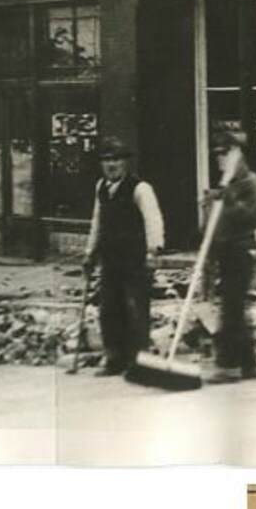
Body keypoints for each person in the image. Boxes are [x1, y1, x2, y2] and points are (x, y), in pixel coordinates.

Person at [84, 138, 165, 376]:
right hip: (110, 258)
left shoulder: (140, 189)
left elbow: (153, 221)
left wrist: (153, 251)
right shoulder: (101, 187)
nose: (111, 165)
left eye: (116, 160)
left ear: (126, 163)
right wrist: (90, 253)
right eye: (106, 160)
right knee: (109, 308)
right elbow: (97, 222)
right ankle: (114, 358)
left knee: (135, 308)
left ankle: (139, 361)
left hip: (134, 259)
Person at [206, 130, 256, 382]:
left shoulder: (251, 182)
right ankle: (248, 365)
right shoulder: (225, 185)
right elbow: (216, 224)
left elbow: (255, 216)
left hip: (241, 251)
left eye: (225, 153)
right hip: (223, 252)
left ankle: (229, 365)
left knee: (231, 308)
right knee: (234, 308)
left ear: (238, 155)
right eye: (217, 154)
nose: (220, 158)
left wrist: (229, 198)